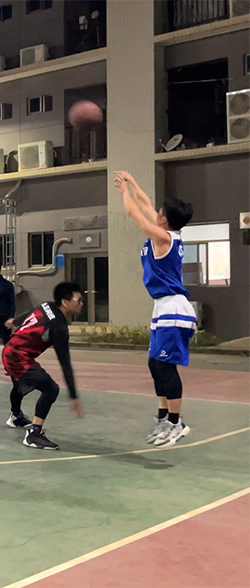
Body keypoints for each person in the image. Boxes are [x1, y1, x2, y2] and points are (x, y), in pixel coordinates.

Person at [116, 171, 196, 447]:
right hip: (162, 308)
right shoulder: (167, 231)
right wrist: (133, 182)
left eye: (160, 212)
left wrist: (124, 192)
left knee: (165, 366)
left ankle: (176, 423)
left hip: (174, 307)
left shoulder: (163, 238)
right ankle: (164, 417)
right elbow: (146, 204)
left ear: (164, 219)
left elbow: (135, 213)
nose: (156, 212)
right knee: (155, 364)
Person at [2, 282, 85, 450]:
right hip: (18, 357)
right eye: (78, 300)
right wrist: (73, 396)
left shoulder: (47, 306)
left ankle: (16, 417)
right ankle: (34, 434)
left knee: (19, 383)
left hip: (10, 350)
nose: (81, 304)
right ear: (65, 302)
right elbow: (65, 363)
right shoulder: (59, 327)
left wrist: (15, 321)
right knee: (51, 389)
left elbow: (30, 313)